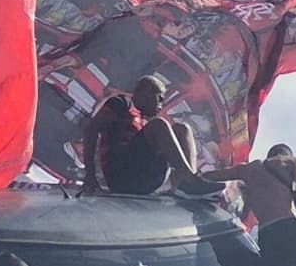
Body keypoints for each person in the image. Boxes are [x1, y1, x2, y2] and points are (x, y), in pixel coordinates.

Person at [81, 75, 225, 199]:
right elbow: (91, 130)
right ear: (147, 93)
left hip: (145, 177)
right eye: (160, 99)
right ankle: (189, 181)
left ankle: (188, 183)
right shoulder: (121, 103)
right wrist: (90, 174)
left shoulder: (144, 120)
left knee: (182, 129)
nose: (161, 106)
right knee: (159, 124)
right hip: (121, 176)